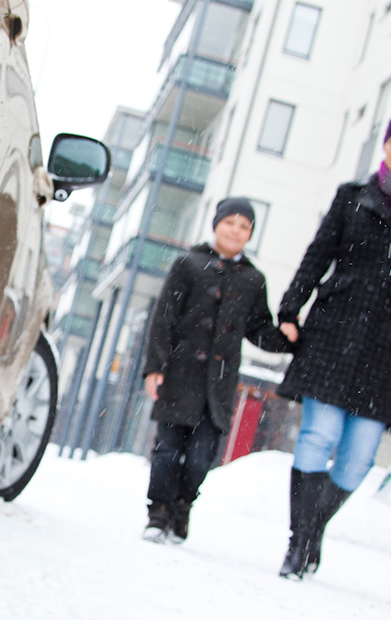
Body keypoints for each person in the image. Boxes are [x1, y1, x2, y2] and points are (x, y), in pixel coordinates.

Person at [273, 109, 391, 579]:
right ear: (385, 145)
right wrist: (290, 308)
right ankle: (298, 545)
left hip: (386, 341)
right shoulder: (350, 197)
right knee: (320, 435)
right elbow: (318, 254)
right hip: (333, 327)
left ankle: (313, 529)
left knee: (359, 457)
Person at [141, 197, 294, 544]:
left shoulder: (253, 279)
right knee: (167, 451)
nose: (236, 231)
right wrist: (155, 367)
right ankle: (158, 513)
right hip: (179, 377)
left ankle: (182, 509)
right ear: (216, 225)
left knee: (200, 458)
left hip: (218, 386)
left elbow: (259, 328)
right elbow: (164, 318)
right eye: (231, 223)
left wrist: (287, 340)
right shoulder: (188, 264)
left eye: (244, 226)